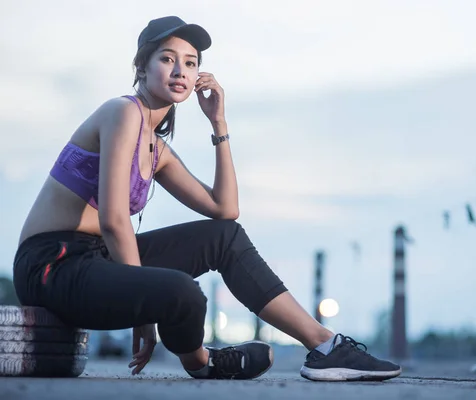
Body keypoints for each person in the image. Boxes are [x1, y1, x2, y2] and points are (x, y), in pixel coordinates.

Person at [12, 16, 402, 382]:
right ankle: (202, 361)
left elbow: (225, 210)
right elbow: (115, 219)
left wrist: (219, 123)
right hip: (52, 265)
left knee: (224, 236)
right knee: (182, 293)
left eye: (190, 62)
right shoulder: (121, 112)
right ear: (141, 67)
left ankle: (325, 345)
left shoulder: (157, 149)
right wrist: (143, 311)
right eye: (167, 59)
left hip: (101, 260)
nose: (181, 71)